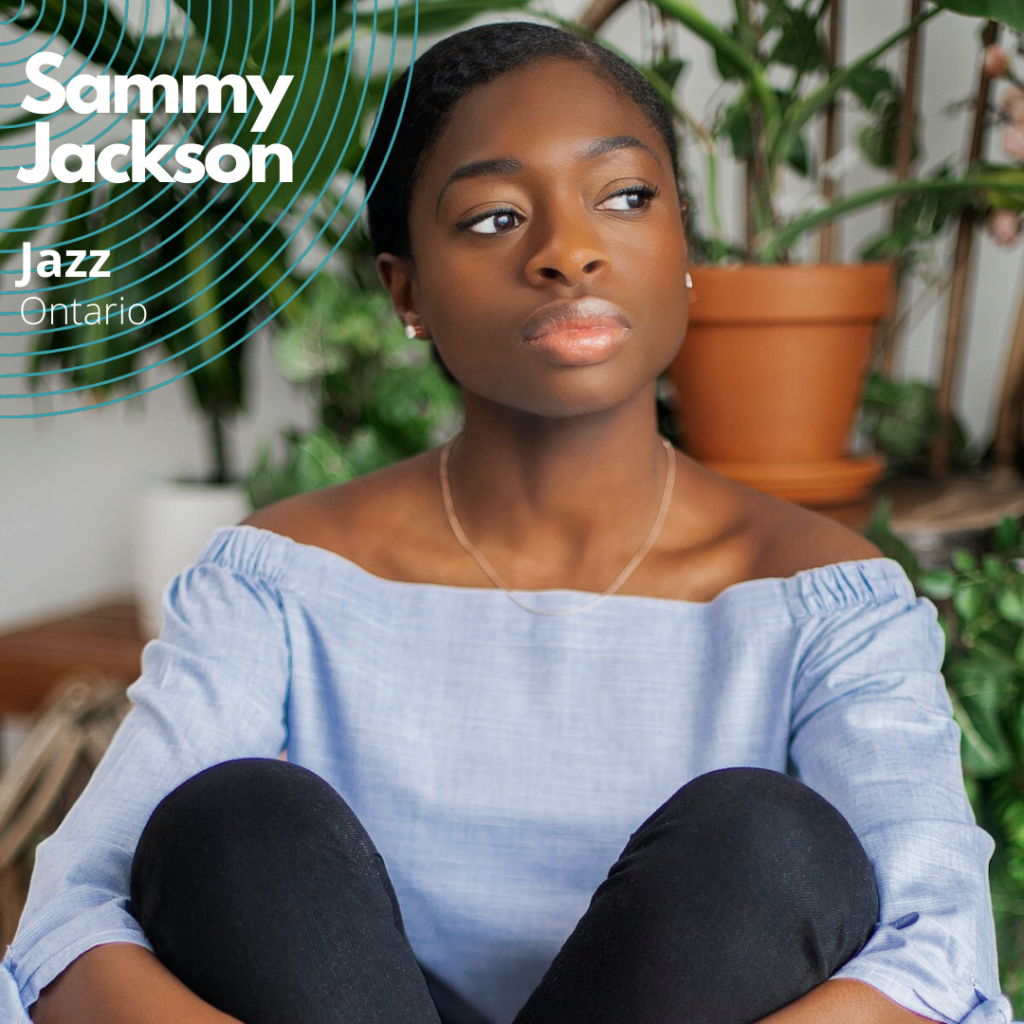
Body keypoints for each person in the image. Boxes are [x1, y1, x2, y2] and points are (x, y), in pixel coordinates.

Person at [3, 19, 1016, 1024]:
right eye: (493, 217)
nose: (569, 252)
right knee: (234, 825)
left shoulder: (823, 600)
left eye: (625, 197)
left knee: (766, 842)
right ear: (406, 290)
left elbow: (937, 948)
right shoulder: (279, 582)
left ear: (684, 248)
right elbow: (68, 927)